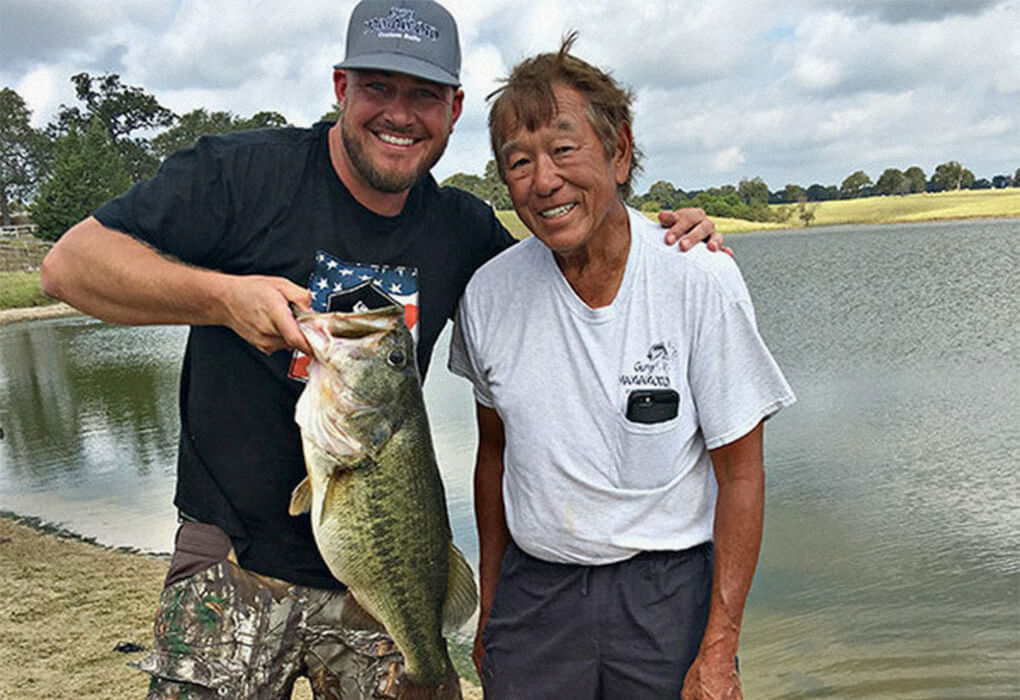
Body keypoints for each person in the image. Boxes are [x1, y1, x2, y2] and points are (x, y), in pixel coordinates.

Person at [40, 2, 723, 698]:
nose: (400, 113)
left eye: (423, 95)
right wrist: (222, 297)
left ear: (453, 109)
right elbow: (70, 267)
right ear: (341, 88)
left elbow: (564, 274)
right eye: (378, 88)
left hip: (388, 577)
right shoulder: (243, 176)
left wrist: (664, 239)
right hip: (234, 557)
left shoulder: (462, 230)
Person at [449, 33, 796, 700]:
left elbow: (742, 474)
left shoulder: (697, 280)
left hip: (668, 594)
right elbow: (492, 457)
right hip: (536, 593)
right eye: (518, 162)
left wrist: (720, 649)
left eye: (563, 148)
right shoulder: (489, 295)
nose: (543, 180)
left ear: (620, 150)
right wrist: (492, 603)